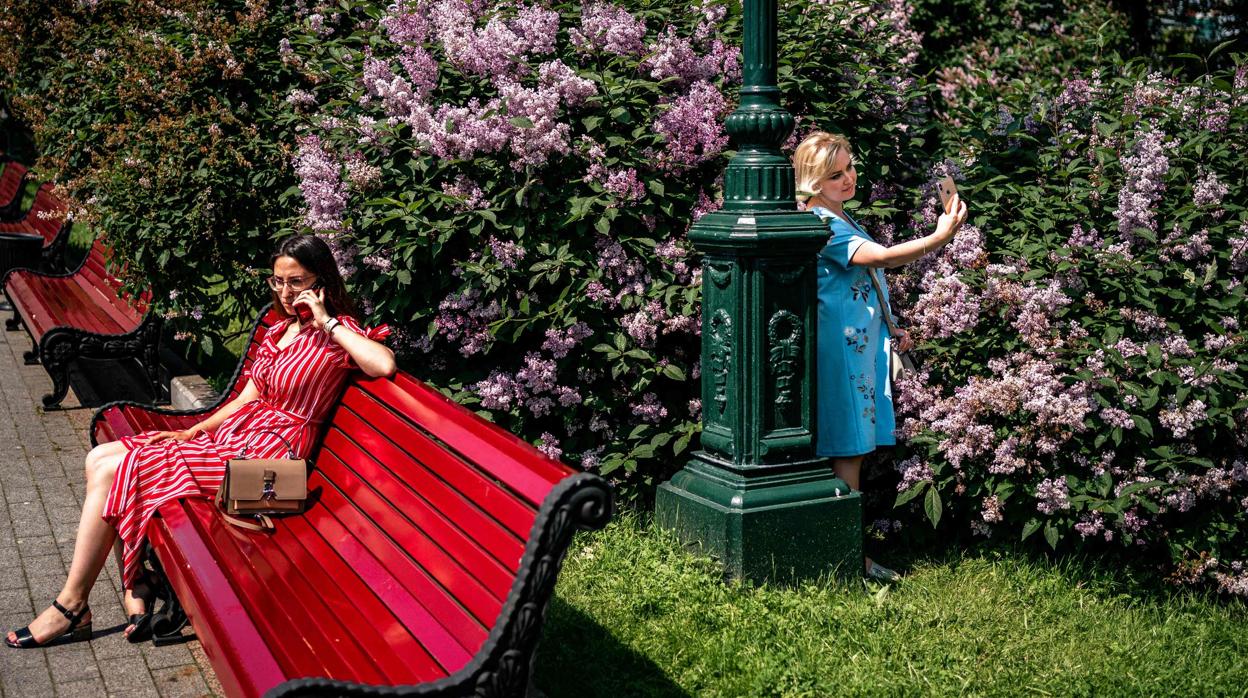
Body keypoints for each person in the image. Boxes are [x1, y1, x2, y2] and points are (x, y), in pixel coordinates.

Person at [6, 234, 396, 648]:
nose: (284, 292)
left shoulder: (337, 333)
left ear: (322, 283)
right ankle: (135, 583)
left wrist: (327, 322)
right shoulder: (282, 330)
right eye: (277, 281)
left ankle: (74, 604)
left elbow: (383, 364)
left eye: (296, 282)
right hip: (238, 442)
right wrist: (195, 430)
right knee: (102, 456)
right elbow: (252, 394)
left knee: (121, 467)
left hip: (275, 470)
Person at [793, 131, 967, 582]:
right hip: (842, 353)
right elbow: (885, 258)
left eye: (849, 168)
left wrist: (890, 324)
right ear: (813, 182)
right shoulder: (821, 223)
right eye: (835, 174)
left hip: (858, 348)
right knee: (847, 450)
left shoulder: (838, 216)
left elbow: (861, 279)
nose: (848, 178)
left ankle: (841, 550)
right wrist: (939, 236)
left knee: (851, 450)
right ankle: (846, 557)